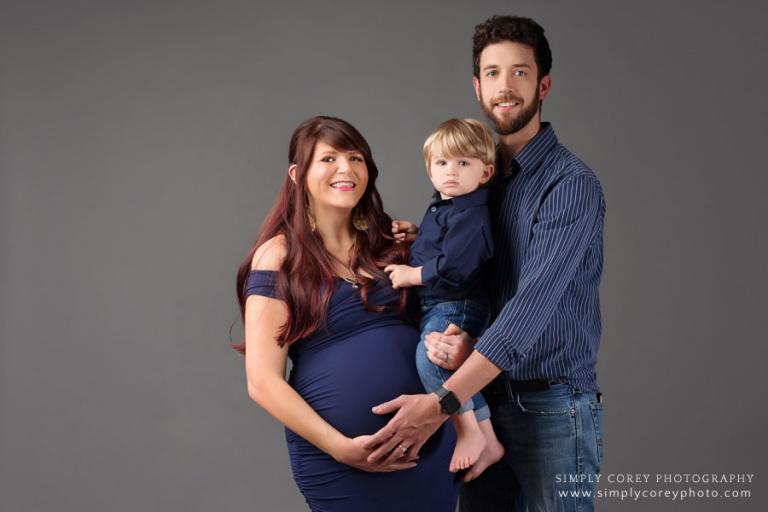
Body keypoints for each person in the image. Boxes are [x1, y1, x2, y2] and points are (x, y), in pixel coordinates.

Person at [367, 15, 606, 511]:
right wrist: (424, 241)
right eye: (493, 73)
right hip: (486, 402)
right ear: (477, 87)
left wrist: (445, 401)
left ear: (543, 85)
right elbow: (471, 271)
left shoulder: (569, 185)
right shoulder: (477, 180)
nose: (505, 87)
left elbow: (530, 309)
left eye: (519, 72)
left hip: (549, 409)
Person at [232, 116, 459, 512]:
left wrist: (456, 345)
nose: (346, 169)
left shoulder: (391, 243)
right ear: (297, 174)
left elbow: (449, 313)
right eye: (329, 158)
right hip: (341, 459)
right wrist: (342, 449)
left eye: (356, 157)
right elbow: (262, 382)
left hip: (430, 445)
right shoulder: (279, 256)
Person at [383, 118, 504, 476]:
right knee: (431, 355)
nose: (451, 171)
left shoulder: (472, 213)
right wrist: (416, 237)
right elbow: (447, 245)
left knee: (430, 358)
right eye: (442, 163)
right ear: (429, 170)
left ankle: (473, 431)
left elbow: (458, 266)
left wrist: (411, 274)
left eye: (463, 163)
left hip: (457, 304)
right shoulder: (449, 207)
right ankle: (486, 437)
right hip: (442, 303)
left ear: (485, 173)